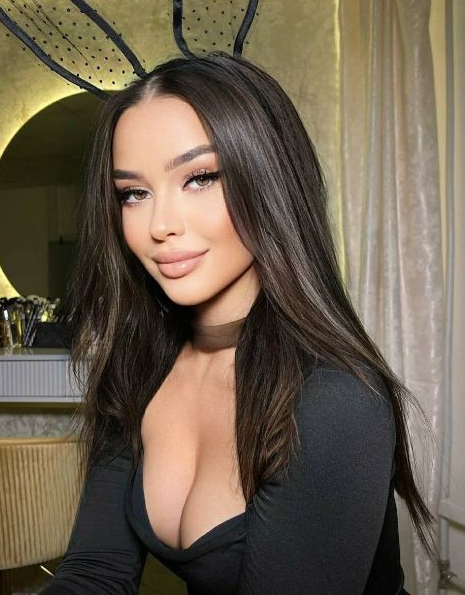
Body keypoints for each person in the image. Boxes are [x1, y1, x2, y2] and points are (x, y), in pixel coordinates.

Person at [42, 52, 436, 594]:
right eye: (134, 193)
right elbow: (96, 573)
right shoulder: (139, 369)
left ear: (270, 181)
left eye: (200, 178)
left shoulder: (333, 400)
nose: (160, 225)